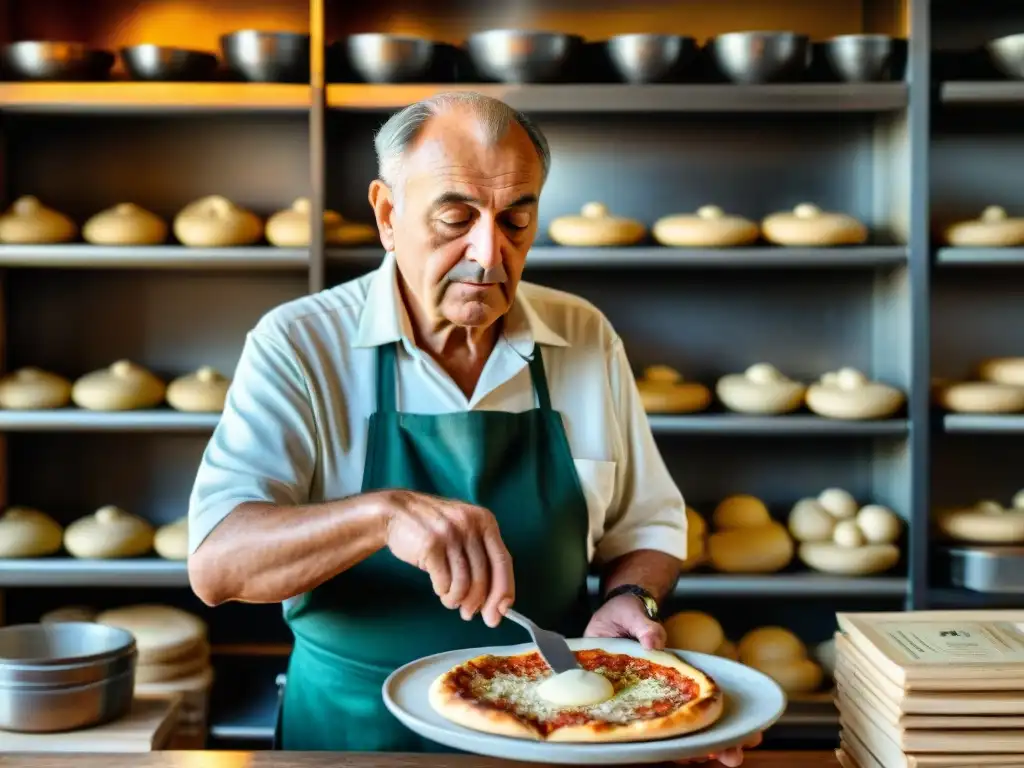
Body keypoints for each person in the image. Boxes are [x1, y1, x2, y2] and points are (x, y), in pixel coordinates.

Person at [186, 91, 758, 765]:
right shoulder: (299, 344)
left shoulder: (584, 337)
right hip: (353, 736)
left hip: (558, 728)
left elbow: (650, 529)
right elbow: (218, 563)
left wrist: (634, 600)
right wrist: (382, 515)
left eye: (516, 221)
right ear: (388, 213)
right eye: (456, 218)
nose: (488, 255)